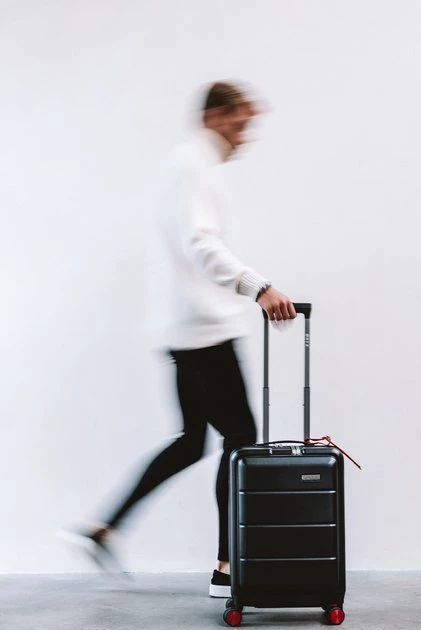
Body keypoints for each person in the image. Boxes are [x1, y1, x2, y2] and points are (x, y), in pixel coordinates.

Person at [62, 81, 296, 597]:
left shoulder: (184, 165)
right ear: (215, 116)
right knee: (240, 441)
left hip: (183, 329)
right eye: (240, 124)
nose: (245, 136)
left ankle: (104, 528)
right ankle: (227, 569)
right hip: (205, 330)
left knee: (193, 442)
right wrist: (258, 288)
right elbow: (200, 244)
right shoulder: (196, 166)